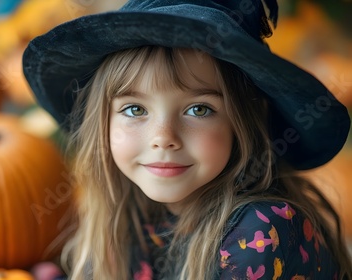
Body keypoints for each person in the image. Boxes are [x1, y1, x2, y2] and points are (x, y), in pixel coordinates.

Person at [22, 0, 352, 279]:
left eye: (198, 109)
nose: (163, 138)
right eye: (135, 109)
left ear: (244, 122)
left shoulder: (262, 233)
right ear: (102, 122)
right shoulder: (126, 217)